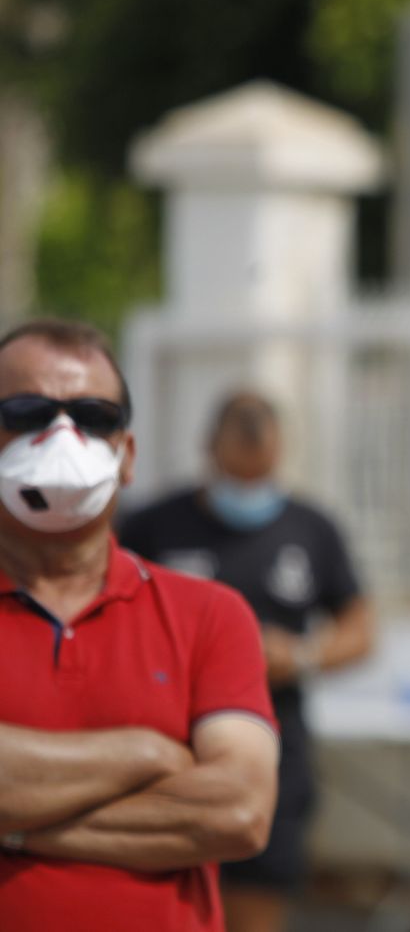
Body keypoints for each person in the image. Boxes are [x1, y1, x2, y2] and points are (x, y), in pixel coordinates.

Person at [0, 319, 278, 931]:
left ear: (126, 456)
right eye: (27, 412)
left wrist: (15, 826)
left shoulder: (210, 615)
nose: (62, 435)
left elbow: (239, 811)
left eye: (93, 417)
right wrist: (146, 752)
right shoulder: (153, 741)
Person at [119, 388, 374, 932]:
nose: (250, 489)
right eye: (239, 473)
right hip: (169, 742)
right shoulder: (153, 525)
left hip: (273, 743)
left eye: (261, 474)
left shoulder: (311, 529)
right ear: (210, 449)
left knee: (257, 898)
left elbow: (361, 629)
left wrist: (301, 654)